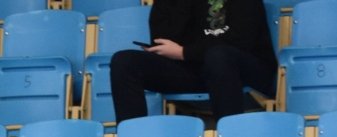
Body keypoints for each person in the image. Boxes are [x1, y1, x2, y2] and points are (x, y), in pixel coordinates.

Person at [108, 0, 276, 123]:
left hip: (245, 68)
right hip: (195, 69)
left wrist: (184, 52)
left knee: (219, 56)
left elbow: (241, 41)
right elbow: (162, 39)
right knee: (124, 62)